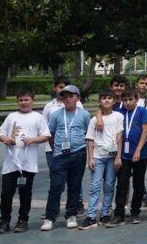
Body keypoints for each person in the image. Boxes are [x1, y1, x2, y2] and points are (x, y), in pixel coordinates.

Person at [0, 88, 49, 234]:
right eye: (21, 100)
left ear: (33, 100)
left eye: (26, 100)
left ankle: (22, 220)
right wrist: (6, 139)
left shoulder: (37, 117)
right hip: (10, 164)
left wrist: (32, 140)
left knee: (25, 193)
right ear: (17, 101)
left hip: (28, 165)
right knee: (6, 193)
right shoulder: (12, 116)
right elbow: (0, 134)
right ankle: (4, 221)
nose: (23, 103)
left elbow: (45, 135)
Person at [41, 84, 91, 231]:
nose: (67, 99)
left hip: (79, 154)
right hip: (59, 156)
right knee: (56, 187)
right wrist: (57, 148)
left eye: (71, 96)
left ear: (78, 98)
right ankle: (50, 218)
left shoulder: (84, 114)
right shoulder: (56, 114)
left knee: (74, 186)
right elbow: (51, 134)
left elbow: (88, 135)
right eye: (65, 96)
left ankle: (71, 214)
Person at [80, 90, 123, 229]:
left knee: (109, 186)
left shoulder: (118, 116)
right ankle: (91, 216)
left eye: (109, 98)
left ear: (114, 100)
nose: (106, 100)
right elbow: (90, 140)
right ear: (100, 101)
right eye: (103, 98)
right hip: (98, 157)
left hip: (112, 158)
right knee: (95, 187)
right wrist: (90, 158)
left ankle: (105, 214)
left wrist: (118, 156)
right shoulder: (94, 120)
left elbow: (119, 137)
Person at [114, 88, 147, 225]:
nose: (128, 103)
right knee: (122, 184)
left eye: (131, 99)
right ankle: (119, 214)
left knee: (138, 184)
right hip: (123, 154)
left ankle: (135, 212)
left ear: (136, 99)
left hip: (140, 154)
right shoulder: (119, 112)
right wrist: (118, 155)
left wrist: (138, 150)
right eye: (125, 100)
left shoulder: (142, 111)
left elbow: (145, 131)